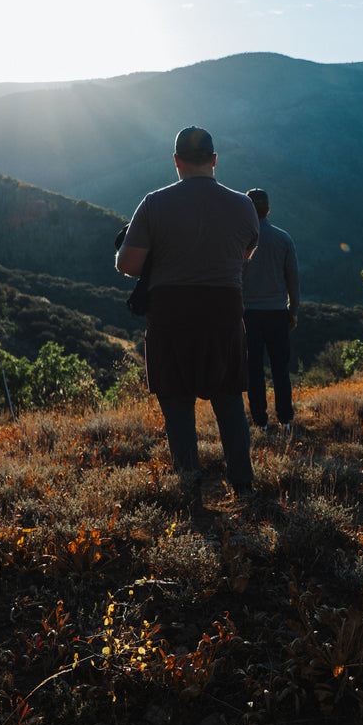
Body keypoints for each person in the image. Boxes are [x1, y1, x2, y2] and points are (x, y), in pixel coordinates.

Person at [117, 127, 260, 502]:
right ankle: (242, 483)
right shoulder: (244, 206)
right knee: (229, 399)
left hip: (172, 313)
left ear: (176, 161)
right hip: (224, 311)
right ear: (214, 160)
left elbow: (128, 265)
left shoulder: (154, 203)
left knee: (177, 400)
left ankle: (189, 483)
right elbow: (244, 256)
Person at [241, 188, 300, 434]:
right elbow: (293, 279)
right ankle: (285, 420)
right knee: (280, 369)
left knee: (253, 370)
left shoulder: (239, 239)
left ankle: (260, 422)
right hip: (277, 312)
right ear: (268, 209)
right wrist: (293, 310)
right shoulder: (283, 238)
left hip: (248, 314)